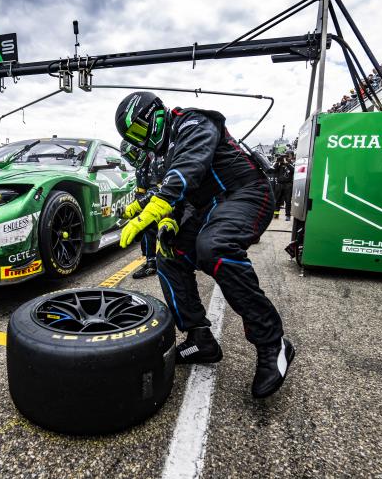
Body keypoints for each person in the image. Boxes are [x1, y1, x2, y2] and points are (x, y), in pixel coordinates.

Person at [115, 92, 294, 399]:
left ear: (155, 116)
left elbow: (188, 170)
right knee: (168, 255)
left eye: (140, 131)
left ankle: (271, 341)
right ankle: (200, 337)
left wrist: (156, 207)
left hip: (246, 192)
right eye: (133, 138)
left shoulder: (193, 122)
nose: (141, 141)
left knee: (214, 247)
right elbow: (179, 193)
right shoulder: (162, 155)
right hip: (209, 207)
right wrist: (169, 220)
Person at [120, 140, 162, 279]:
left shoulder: (155, 160)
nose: (131, 160)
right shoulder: (139, 169)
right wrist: (131, 210)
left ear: (139, 150)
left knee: (149, 225)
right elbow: (140, 192)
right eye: (127, 157)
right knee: (143, 228)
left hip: (167, 201)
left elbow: (157, 190)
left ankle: (152, 264)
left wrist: (136, 206)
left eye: (131, 155)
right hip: (152, 202)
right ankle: (150, 260)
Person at [273, 152, 294, 221]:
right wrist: (277, 162)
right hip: (279, 184)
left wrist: (286, 163)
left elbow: (293, 170)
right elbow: (273, 170)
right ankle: (276, 214)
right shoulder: (279, 164)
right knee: (277, 200)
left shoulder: (290, 163)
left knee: (288, 201)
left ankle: (288, 215)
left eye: (286, 157)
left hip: (288, 185)